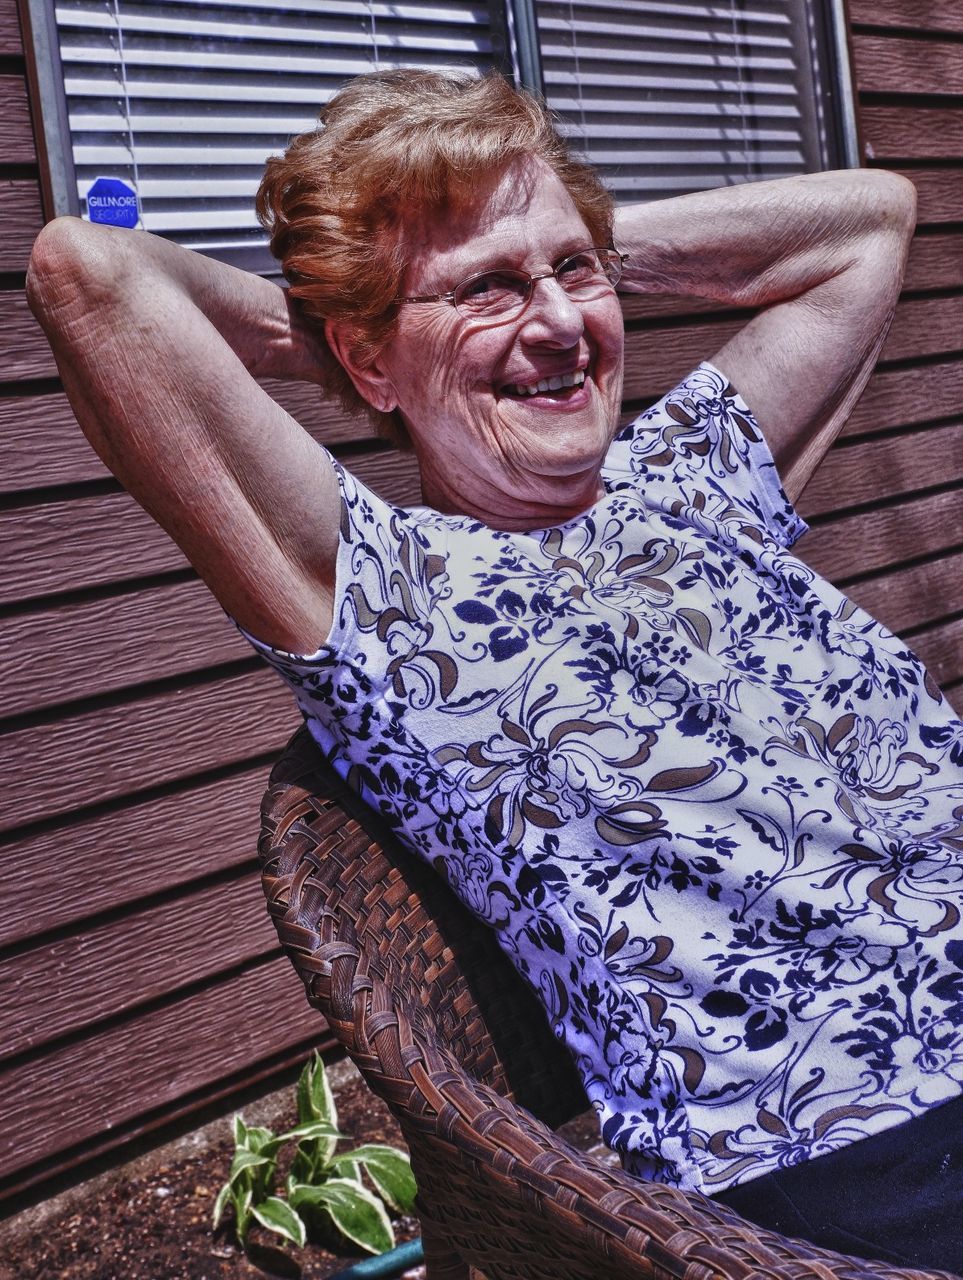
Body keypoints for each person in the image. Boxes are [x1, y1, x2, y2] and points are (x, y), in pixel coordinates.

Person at [27, 69, 963, 1269]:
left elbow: (870, 217)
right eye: (488, 289)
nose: (563, 326)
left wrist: (560, 246)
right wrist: (342, 332)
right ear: (365, 363)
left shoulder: (691, 473)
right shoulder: (383, 593)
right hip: (860, 1132)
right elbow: (89, 276)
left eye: (576, 273)